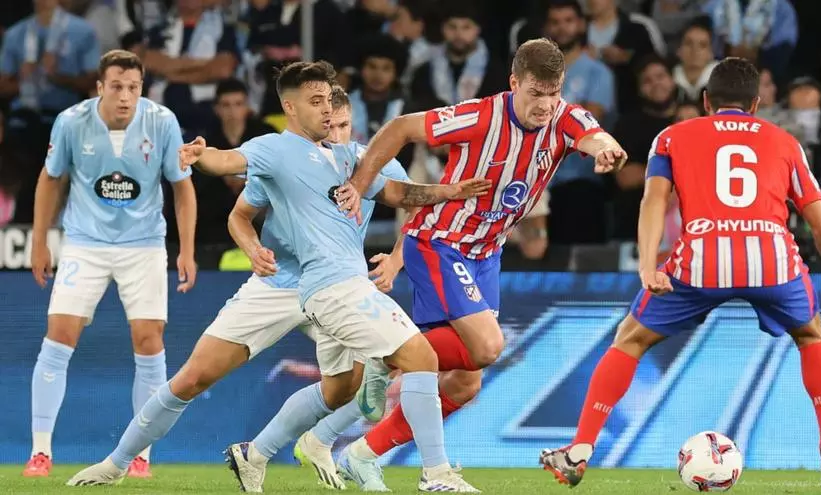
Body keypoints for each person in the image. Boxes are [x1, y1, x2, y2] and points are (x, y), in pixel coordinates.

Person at [68, 61, 489, 492]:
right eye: (318, 104)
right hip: (281, 284)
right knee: (194, 377)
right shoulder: (274, 152)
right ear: (290, 107)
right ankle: (116, 462)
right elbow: (232, 176)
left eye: (335, 110)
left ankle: (261, 452)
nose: (330, 118)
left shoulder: (357, 159)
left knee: (342, 391)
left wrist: (444, 198)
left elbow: (404, 198)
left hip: (335, 284)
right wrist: (207, 167)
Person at [539, 57, 821, 489]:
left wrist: (648, 266)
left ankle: (579, 451)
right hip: (771, 258)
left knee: (630, 339)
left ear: (706, 101)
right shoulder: (785, 142)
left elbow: (653, 201)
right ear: (756, 104)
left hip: (701, 259)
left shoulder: (672, 137)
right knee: (811, 336)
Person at [332, 37, 627, 491]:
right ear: (514, 83)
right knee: (488, 346)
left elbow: (593, 134)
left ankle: (362, 453)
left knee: (466, 384)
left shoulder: (564, 117)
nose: (545, 105)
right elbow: (401, 128)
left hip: (486, 253)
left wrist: (606, 148)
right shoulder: (480, 116)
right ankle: (387, 356)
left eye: (553, 93)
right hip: (441, 242)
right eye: (536, 93)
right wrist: (358, 183)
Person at [24, 49, 197, 479]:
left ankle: (141, 456)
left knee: (149, 340)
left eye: (133, 88)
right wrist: (39, 242)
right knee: (59, 333)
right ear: (100, 87)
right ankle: (40, 452)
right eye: (116, 86)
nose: (125, 96)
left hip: (144, 245)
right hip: (85, 243)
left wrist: (186, 249)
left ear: (142, 89)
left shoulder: (162, 121)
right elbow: (50, 178)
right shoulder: (71, 122)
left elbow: (182, 187)